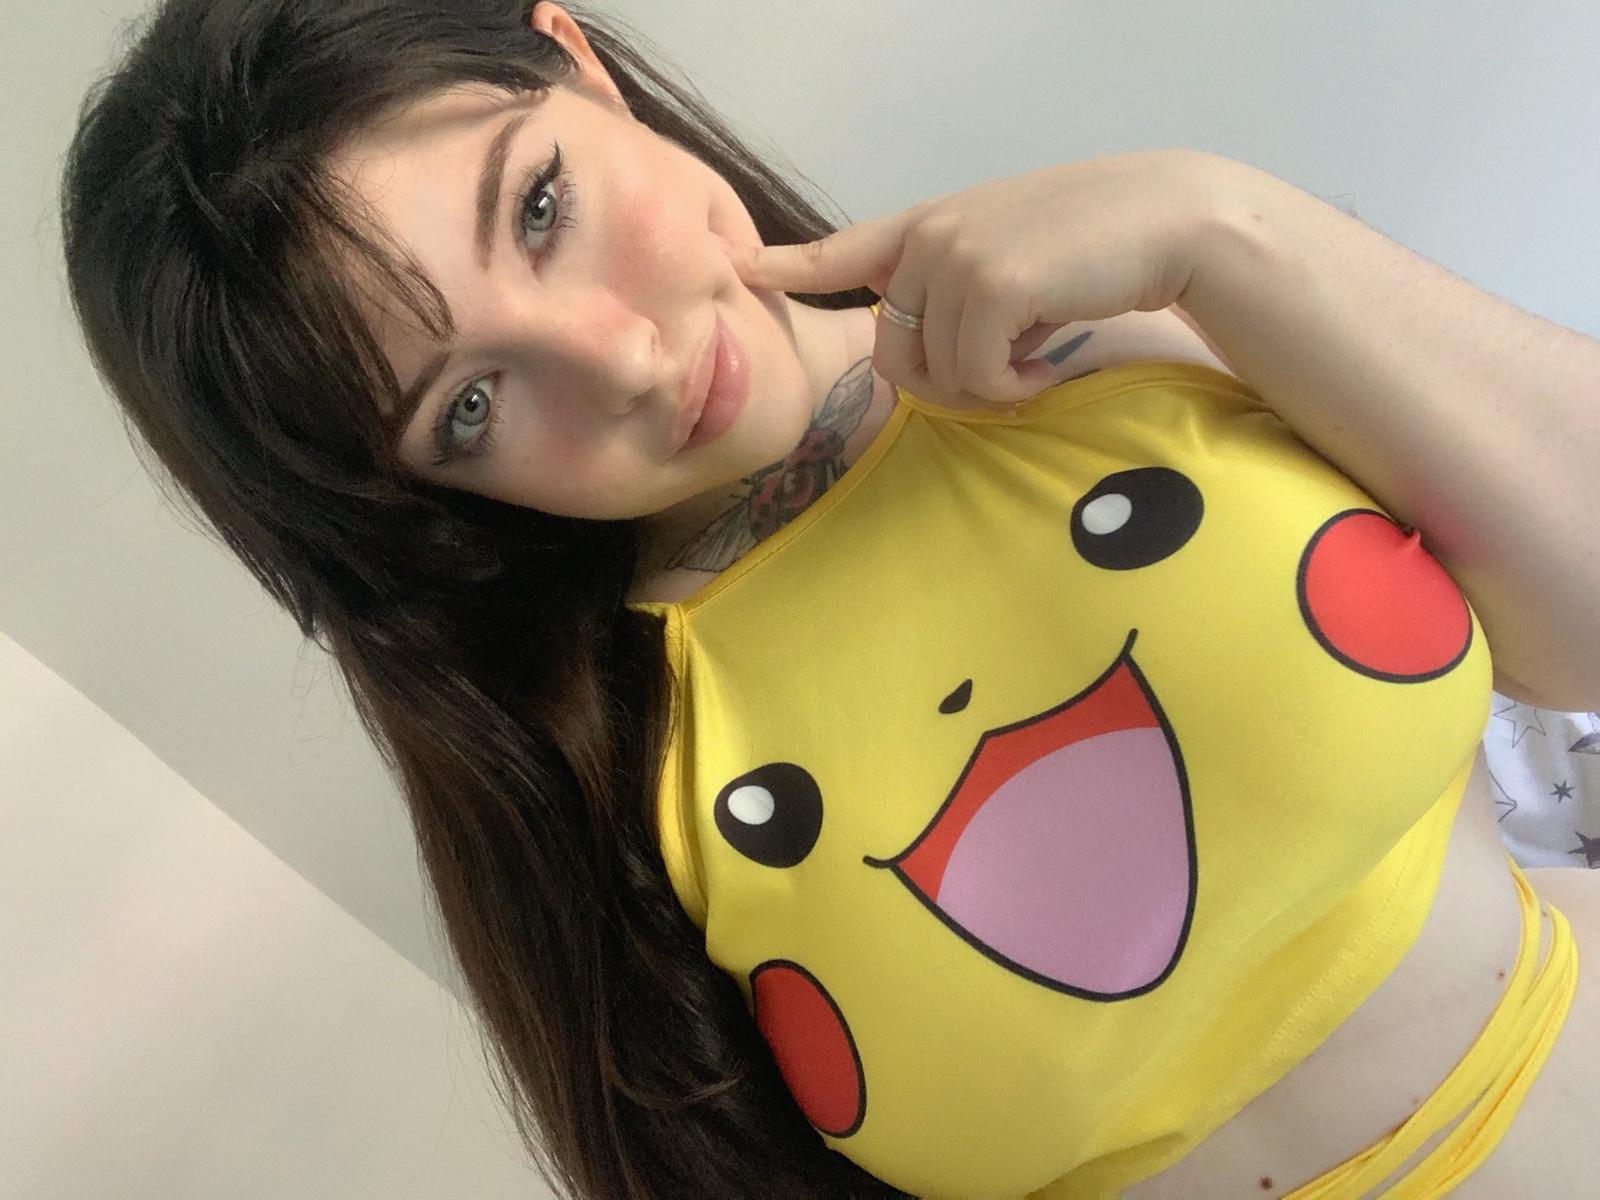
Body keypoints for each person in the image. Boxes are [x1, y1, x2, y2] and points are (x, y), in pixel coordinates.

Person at [57, 1, 1598, 1196]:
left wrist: (1221, 222)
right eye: (469, 405)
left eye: (539, 209)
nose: (625, 361)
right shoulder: (604, 770)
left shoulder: (1132, 322)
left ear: (574, 59)